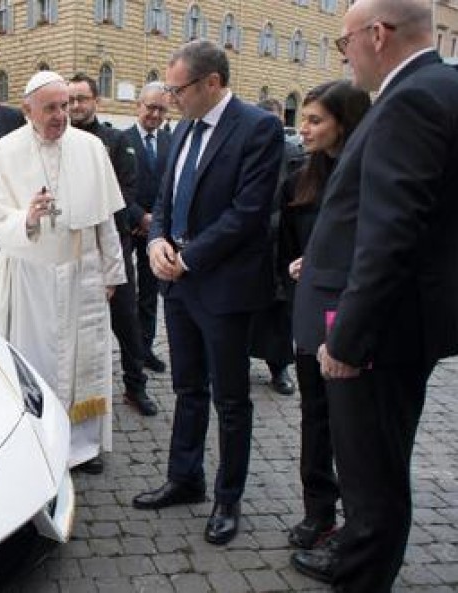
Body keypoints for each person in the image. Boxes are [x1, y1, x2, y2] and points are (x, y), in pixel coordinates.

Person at [289, 0, 458, 588]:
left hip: (378, 338)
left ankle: (363, 573)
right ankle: (360, 556)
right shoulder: (443, 86)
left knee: (372, 480)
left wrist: (347, 337)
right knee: (378, 472)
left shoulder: (410, 99)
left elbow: (392, 233)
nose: (344, 54)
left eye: (344, 42)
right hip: (404, 325)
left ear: (378, 35)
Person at [132, 40, 283, 547]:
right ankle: (186, 478)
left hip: (223, 288)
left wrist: (188, 256)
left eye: (178, 89)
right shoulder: (181, 129)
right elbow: (163, 197)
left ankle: (227, 497)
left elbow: (248, 213)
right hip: (178, 286)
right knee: (187, 388)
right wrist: (155, 242)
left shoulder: (257, 128)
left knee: (231, 399)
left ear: (211, 83)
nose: (171, 99)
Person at [0, 71, 125, 470]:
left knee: (82, 360)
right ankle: (37, 442)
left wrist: (111, 272)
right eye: (50, 107)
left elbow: (105, 219)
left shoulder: (89, 147)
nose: (60, 115)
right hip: (28, 278)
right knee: (35, 364)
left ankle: (83, 446)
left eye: (65, 105)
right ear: (27, 110)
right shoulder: (2, 153)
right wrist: (27, 219)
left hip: (80, 273)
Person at [274, 80, 372, 552]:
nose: (304, 128)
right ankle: (319, 512)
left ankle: (359, 523)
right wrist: (296, 265)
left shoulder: (370, 176)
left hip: (354, 317)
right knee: (314, 418)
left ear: (344, 123)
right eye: (303, 118)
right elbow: (288, 244)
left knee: (352, 426)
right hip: (312, 316)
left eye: (316, 120)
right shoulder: (299, 178)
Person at [68, 73, 159, 436]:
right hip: (72, 251)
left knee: (126, 320)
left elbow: (125, 192)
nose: (75, 106)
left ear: (96, 101)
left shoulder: (116, 141)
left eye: (81, 99)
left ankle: (135, 386)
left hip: (110, 246)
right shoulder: (62, 140)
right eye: (70, 100)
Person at [248, 98, 304, 396]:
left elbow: (300, 198)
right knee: (248, 309)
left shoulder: (295, 154)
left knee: (279, 313)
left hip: (282, 244)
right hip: (251, 245)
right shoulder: (248, 150)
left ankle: (279, 367)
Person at [123, 82, 172, 373]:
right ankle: (131, 351)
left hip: (157, 232)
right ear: (138, 105)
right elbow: (117, 187)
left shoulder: (170, 141)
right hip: (129, 228)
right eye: (150, 107)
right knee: (127, 294)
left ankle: (146, 348)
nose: (155, 114)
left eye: (162, 109)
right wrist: (140, 217)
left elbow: (172, 186)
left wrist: (156, 221)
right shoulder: (121, 139)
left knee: (150, 295)